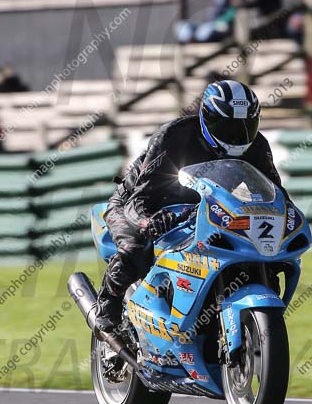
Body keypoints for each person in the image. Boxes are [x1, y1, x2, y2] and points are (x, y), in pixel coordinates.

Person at [95, 80, 287, 333]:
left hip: (202, 210)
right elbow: (141, 198)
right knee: (136, 247)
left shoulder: (257, 146)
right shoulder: (173, 136)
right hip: (138, 203)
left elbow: (274, 192)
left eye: (246, 125)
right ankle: (107, 304)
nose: (237, 135)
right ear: (207, 118)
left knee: (257, 252)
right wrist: (148, 221)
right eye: (227, 126)